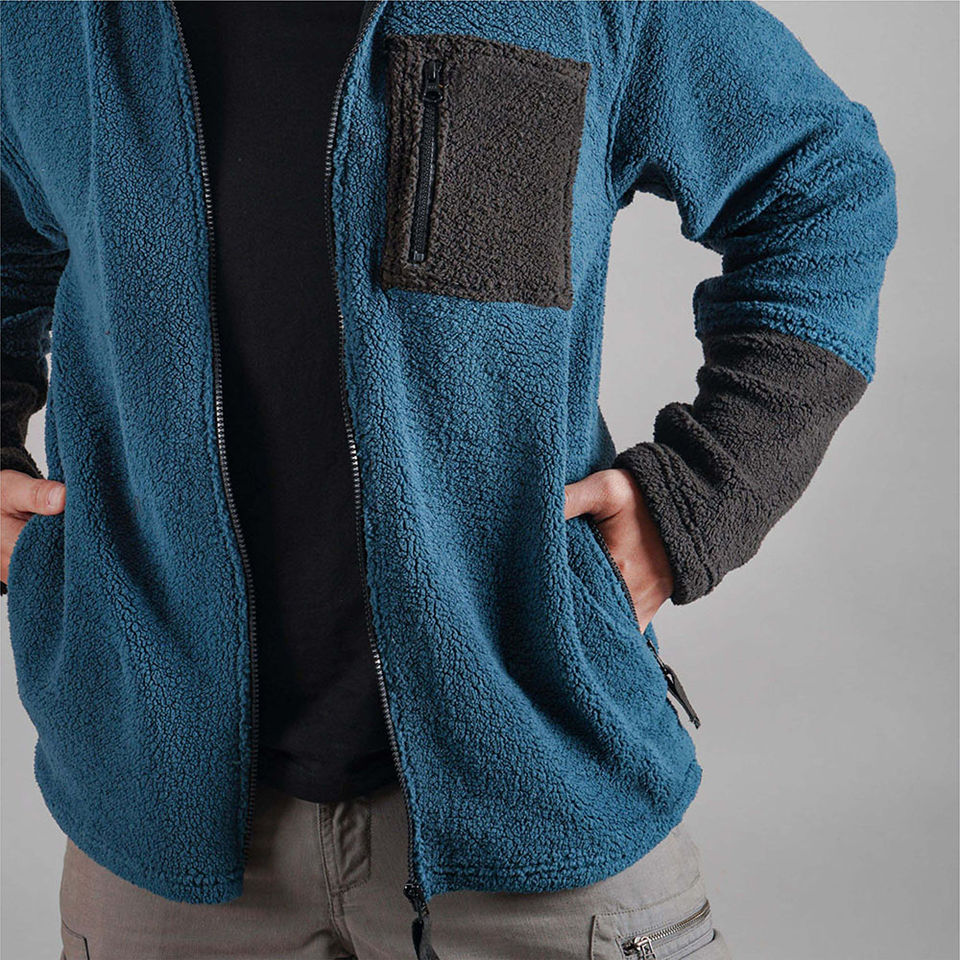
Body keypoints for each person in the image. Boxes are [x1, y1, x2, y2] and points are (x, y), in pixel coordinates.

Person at [0, 2, 896, 958]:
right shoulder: (45, 18)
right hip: (155, 817)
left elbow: (820, 180)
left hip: (540, 796)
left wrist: (700, 498)